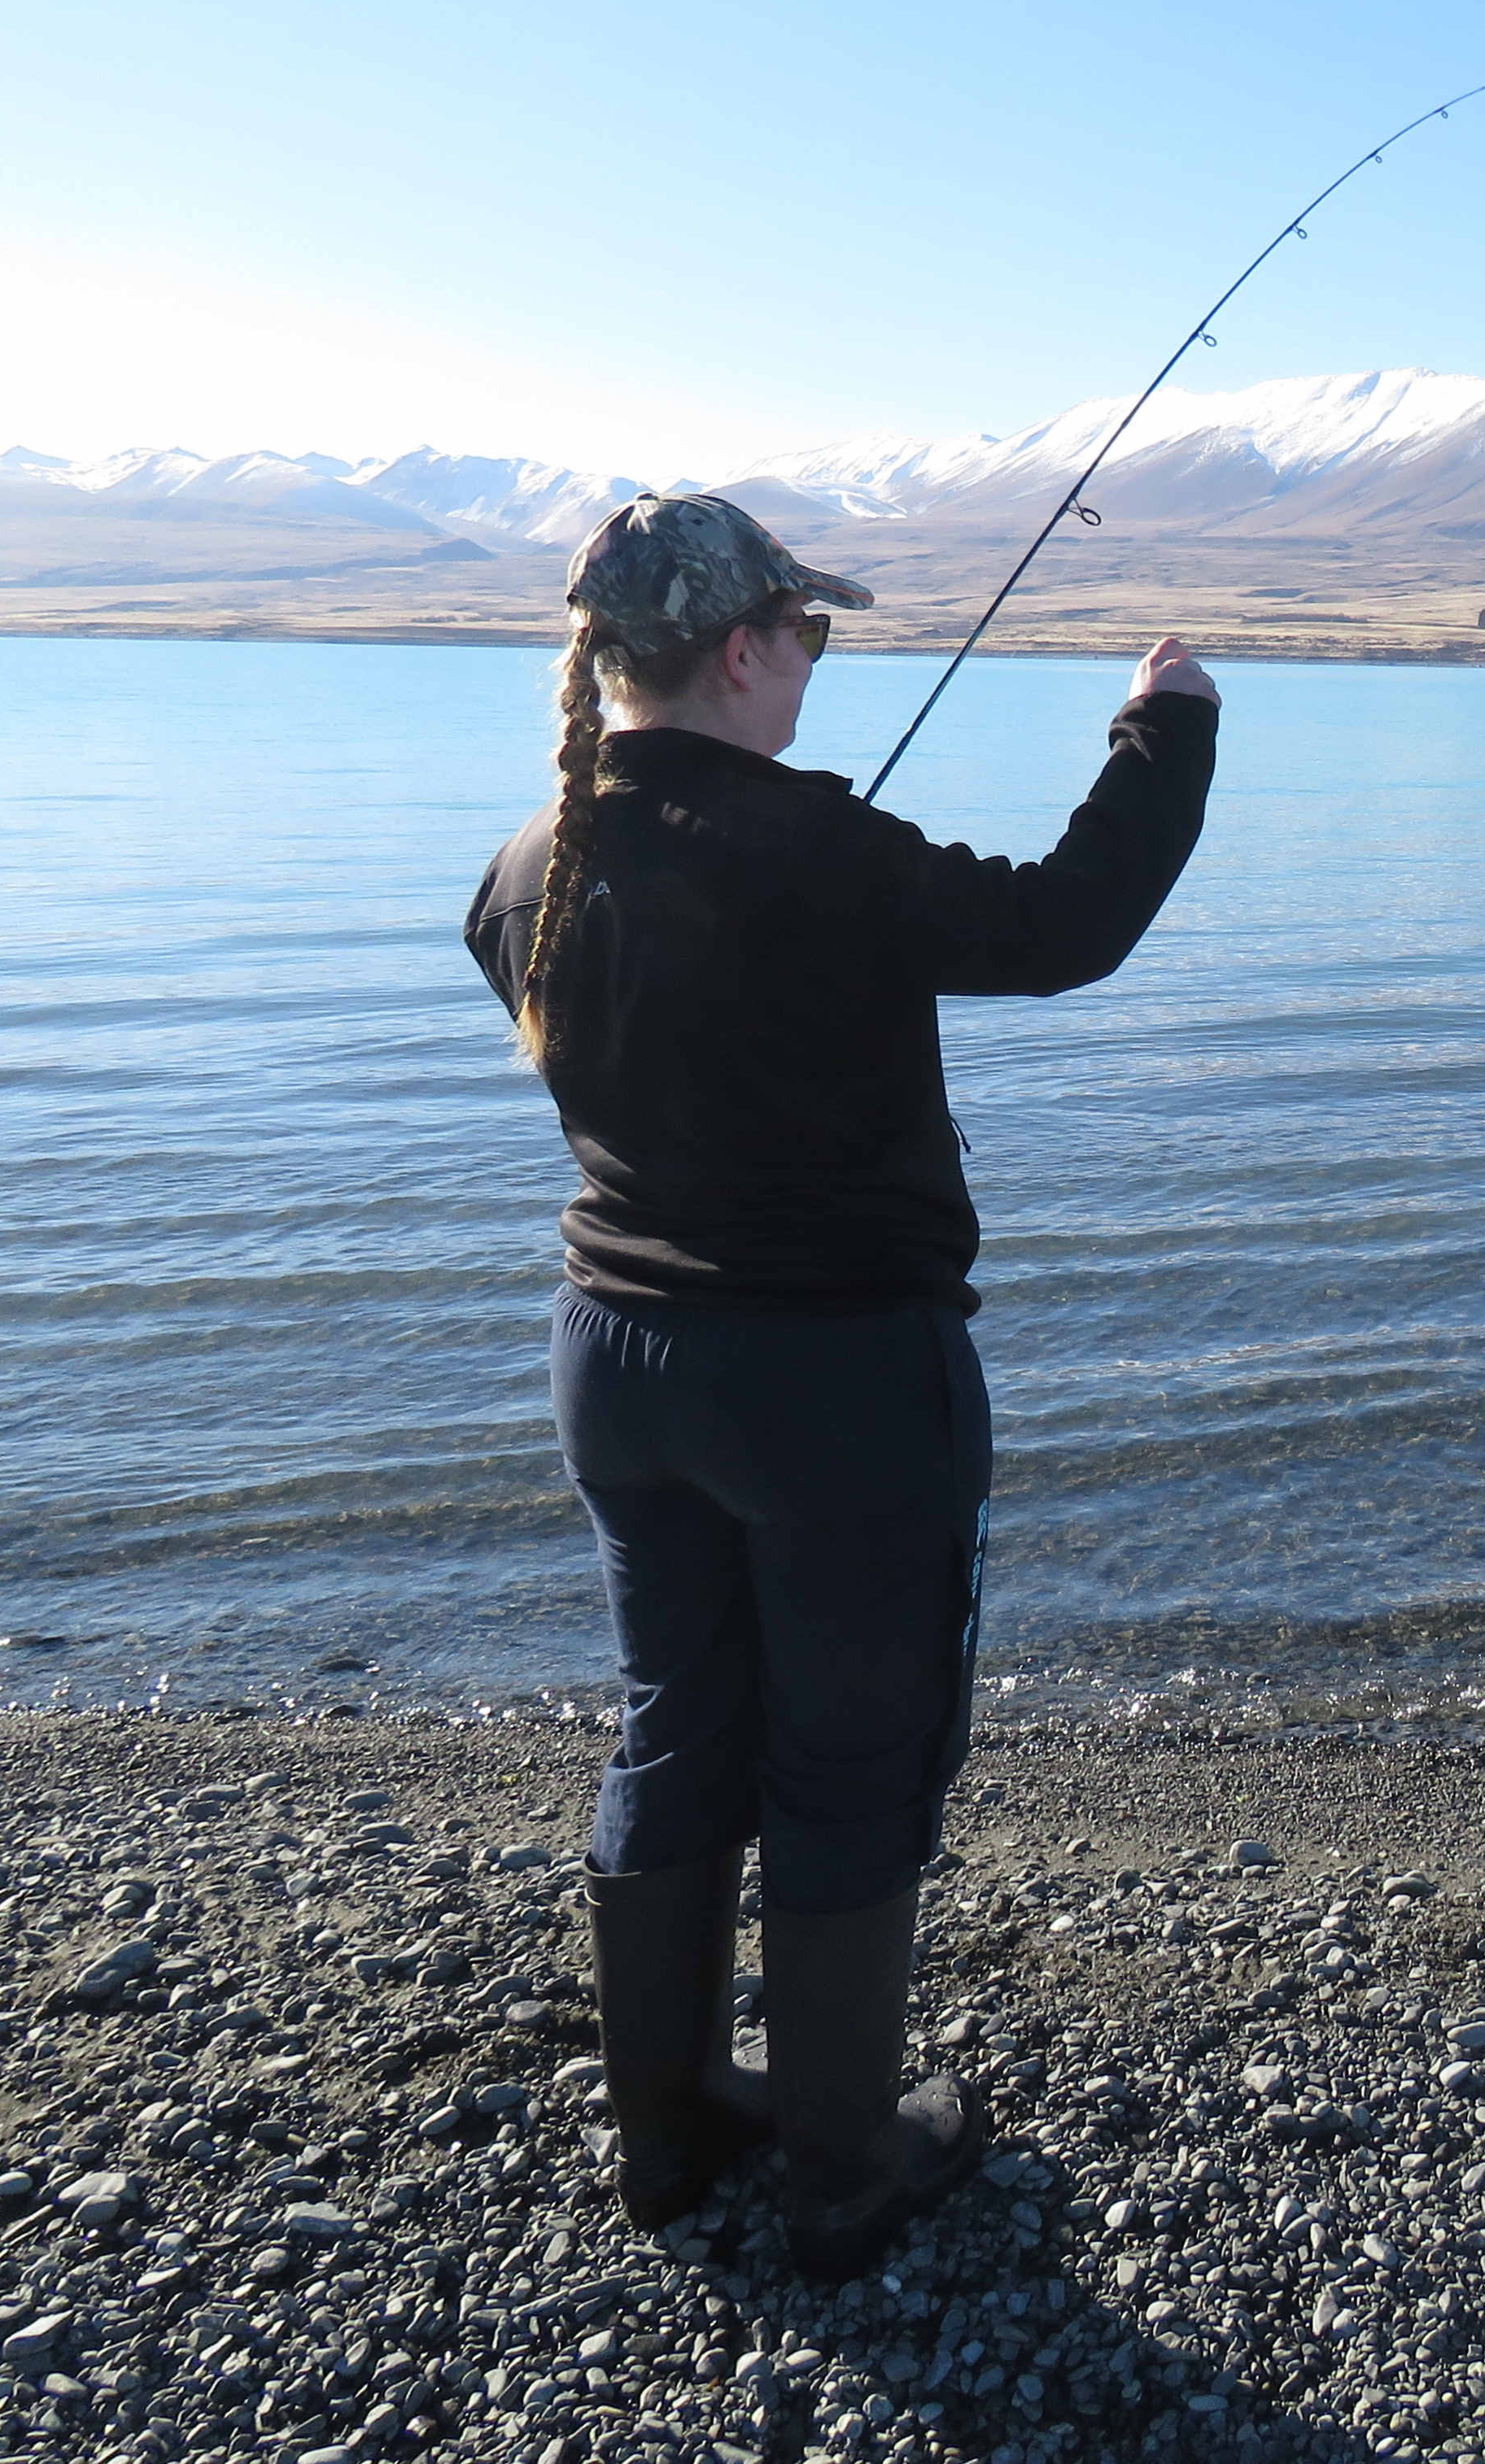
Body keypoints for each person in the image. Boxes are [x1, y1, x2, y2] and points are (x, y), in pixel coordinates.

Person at [461, 491, 1216, 2277]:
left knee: (677, 1728)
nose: (814, 659)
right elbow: (1068, 924)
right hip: (839, 1395)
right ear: (742, 649)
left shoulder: (527, 864)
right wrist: (1165, 731)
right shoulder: (820, 850)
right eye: (807, 632)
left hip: (619, 1371)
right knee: (851, 1768)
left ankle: (670, 2140)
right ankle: (844, 2167)